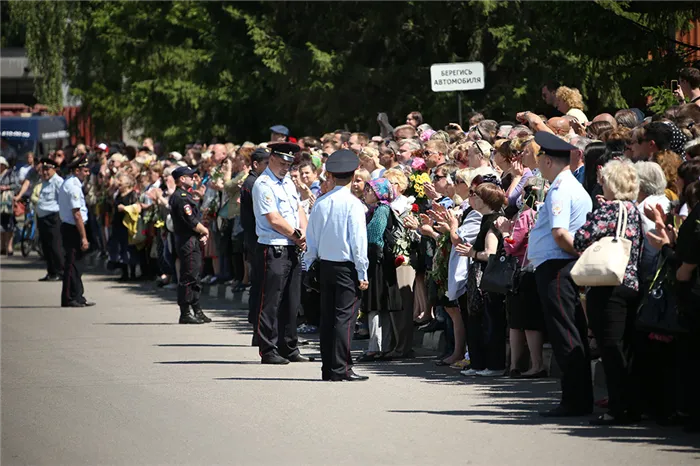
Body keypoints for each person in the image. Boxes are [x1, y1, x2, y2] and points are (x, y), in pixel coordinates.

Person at [527, 132, 593, 417]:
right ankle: (578, 397)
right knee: (571, 329)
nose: (538, 162)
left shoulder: (560, 189)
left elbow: (561, 233)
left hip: (557, 267)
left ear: (549, 160)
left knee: (565, 332)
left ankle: (574, 400)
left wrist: (578, 254)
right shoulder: (568, 185)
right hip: (559, 266)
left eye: (541, 157)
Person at [574, 159, 643, 425]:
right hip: (631, 282)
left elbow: (581, 238)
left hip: (607, 284)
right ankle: (632, 405)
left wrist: (597, 215)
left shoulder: (610, 210)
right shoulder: (634, 209)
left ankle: (618, 408)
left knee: (610, 348)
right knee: (626, 347)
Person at [305, 149, 370, 381]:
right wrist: (363, 272)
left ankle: (329, 368)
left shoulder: (321, 202)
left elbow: (311, 239)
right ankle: (341, 368)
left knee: (329, 318)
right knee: (345, 319)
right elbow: (358, 242)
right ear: (353, 176)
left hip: (325, 266)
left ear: (331, 175)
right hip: (346, 267)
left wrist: (308, 265)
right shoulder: (354, 205)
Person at [252, 142, 308, 364]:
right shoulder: (263, 184)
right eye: (283, 162)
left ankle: (289, 347)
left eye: (289, 163)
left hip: (292, 246)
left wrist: (303, 232)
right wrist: (297, 235)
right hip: (274, 246)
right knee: (271, 301)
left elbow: (299, 209)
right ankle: (268, 349)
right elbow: (273, 218)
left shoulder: (288, 182)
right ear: (272, 158)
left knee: (292, 301)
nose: (286, 167)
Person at [169, 166, 212, 324]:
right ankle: (185, 312)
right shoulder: (181, 197)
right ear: (182, 179)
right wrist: (204, 231)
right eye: (190, 177)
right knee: (188, 276)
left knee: (195, 275)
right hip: (187, 241)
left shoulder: (186, 196)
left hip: (191, 240)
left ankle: (196, 309)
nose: (193, 179)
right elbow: (191, 221)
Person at [57, 155, 95, 308]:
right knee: (71, 264)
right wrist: (84, 237)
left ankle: (78, 295)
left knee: (78, 264)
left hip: (74, 227)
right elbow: (77, 214)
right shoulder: (72, 186)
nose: (87, 174)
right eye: (85, 171)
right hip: (73, 228)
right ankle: (69, 297)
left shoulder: (75, 183)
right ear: (77, 170)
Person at [36, 158, 64, 281]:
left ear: (54, 169)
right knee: (46, 247)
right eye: (43, 169)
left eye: (47, 169)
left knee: (55, 246)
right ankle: (51, 272)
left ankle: (60, 271)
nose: (45, 172)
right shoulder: (44, 182)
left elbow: (62, 200)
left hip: (53, 217)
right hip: (43, 217)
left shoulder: (58, 181)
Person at [0, 156, 19, 255]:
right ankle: (2, 247)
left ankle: (9, 247)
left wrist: (6, 187)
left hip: (7, 202)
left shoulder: (10, 173)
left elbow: (16, 185)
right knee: (0, 225)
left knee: (9, 225)